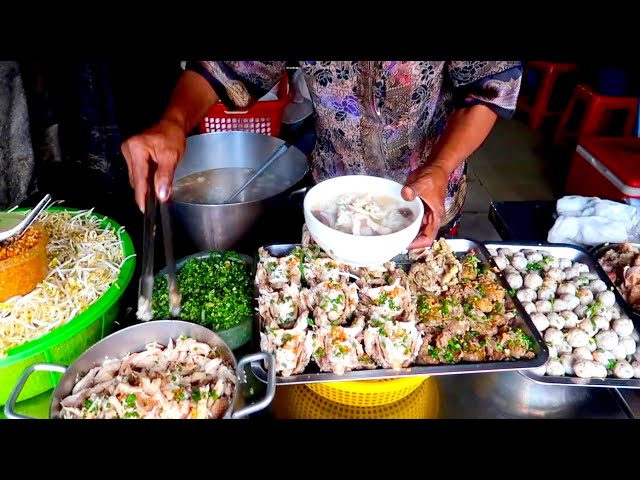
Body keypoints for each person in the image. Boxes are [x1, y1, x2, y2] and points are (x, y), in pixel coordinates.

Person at [122, 61, 523, 248]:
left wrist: (439, 167)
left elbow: (489, 89)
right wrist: (174, 121)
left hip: (428, 200)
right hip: (332, 202)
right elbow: (222, 68)